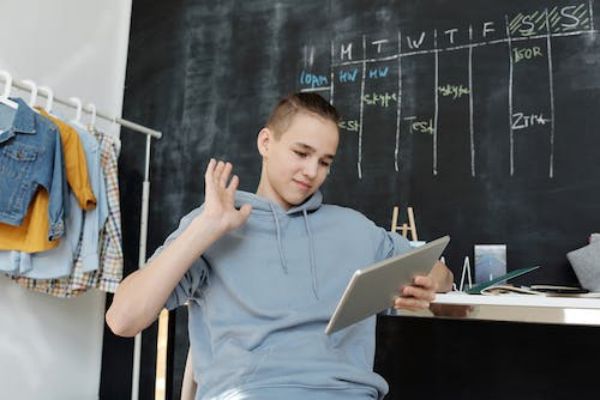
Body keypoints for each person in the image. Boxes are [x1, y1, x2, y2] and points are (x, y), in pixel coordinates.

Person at [106, 92, 454, 400]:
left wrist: (429, 283)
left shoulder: (355, 229)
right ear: (266, 142)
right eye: (301, 153)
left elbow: (441, 273)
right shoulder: (214, 222)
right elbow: (123, 319)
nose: (311, 171)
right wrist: (205, 229)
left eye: (324, 162)